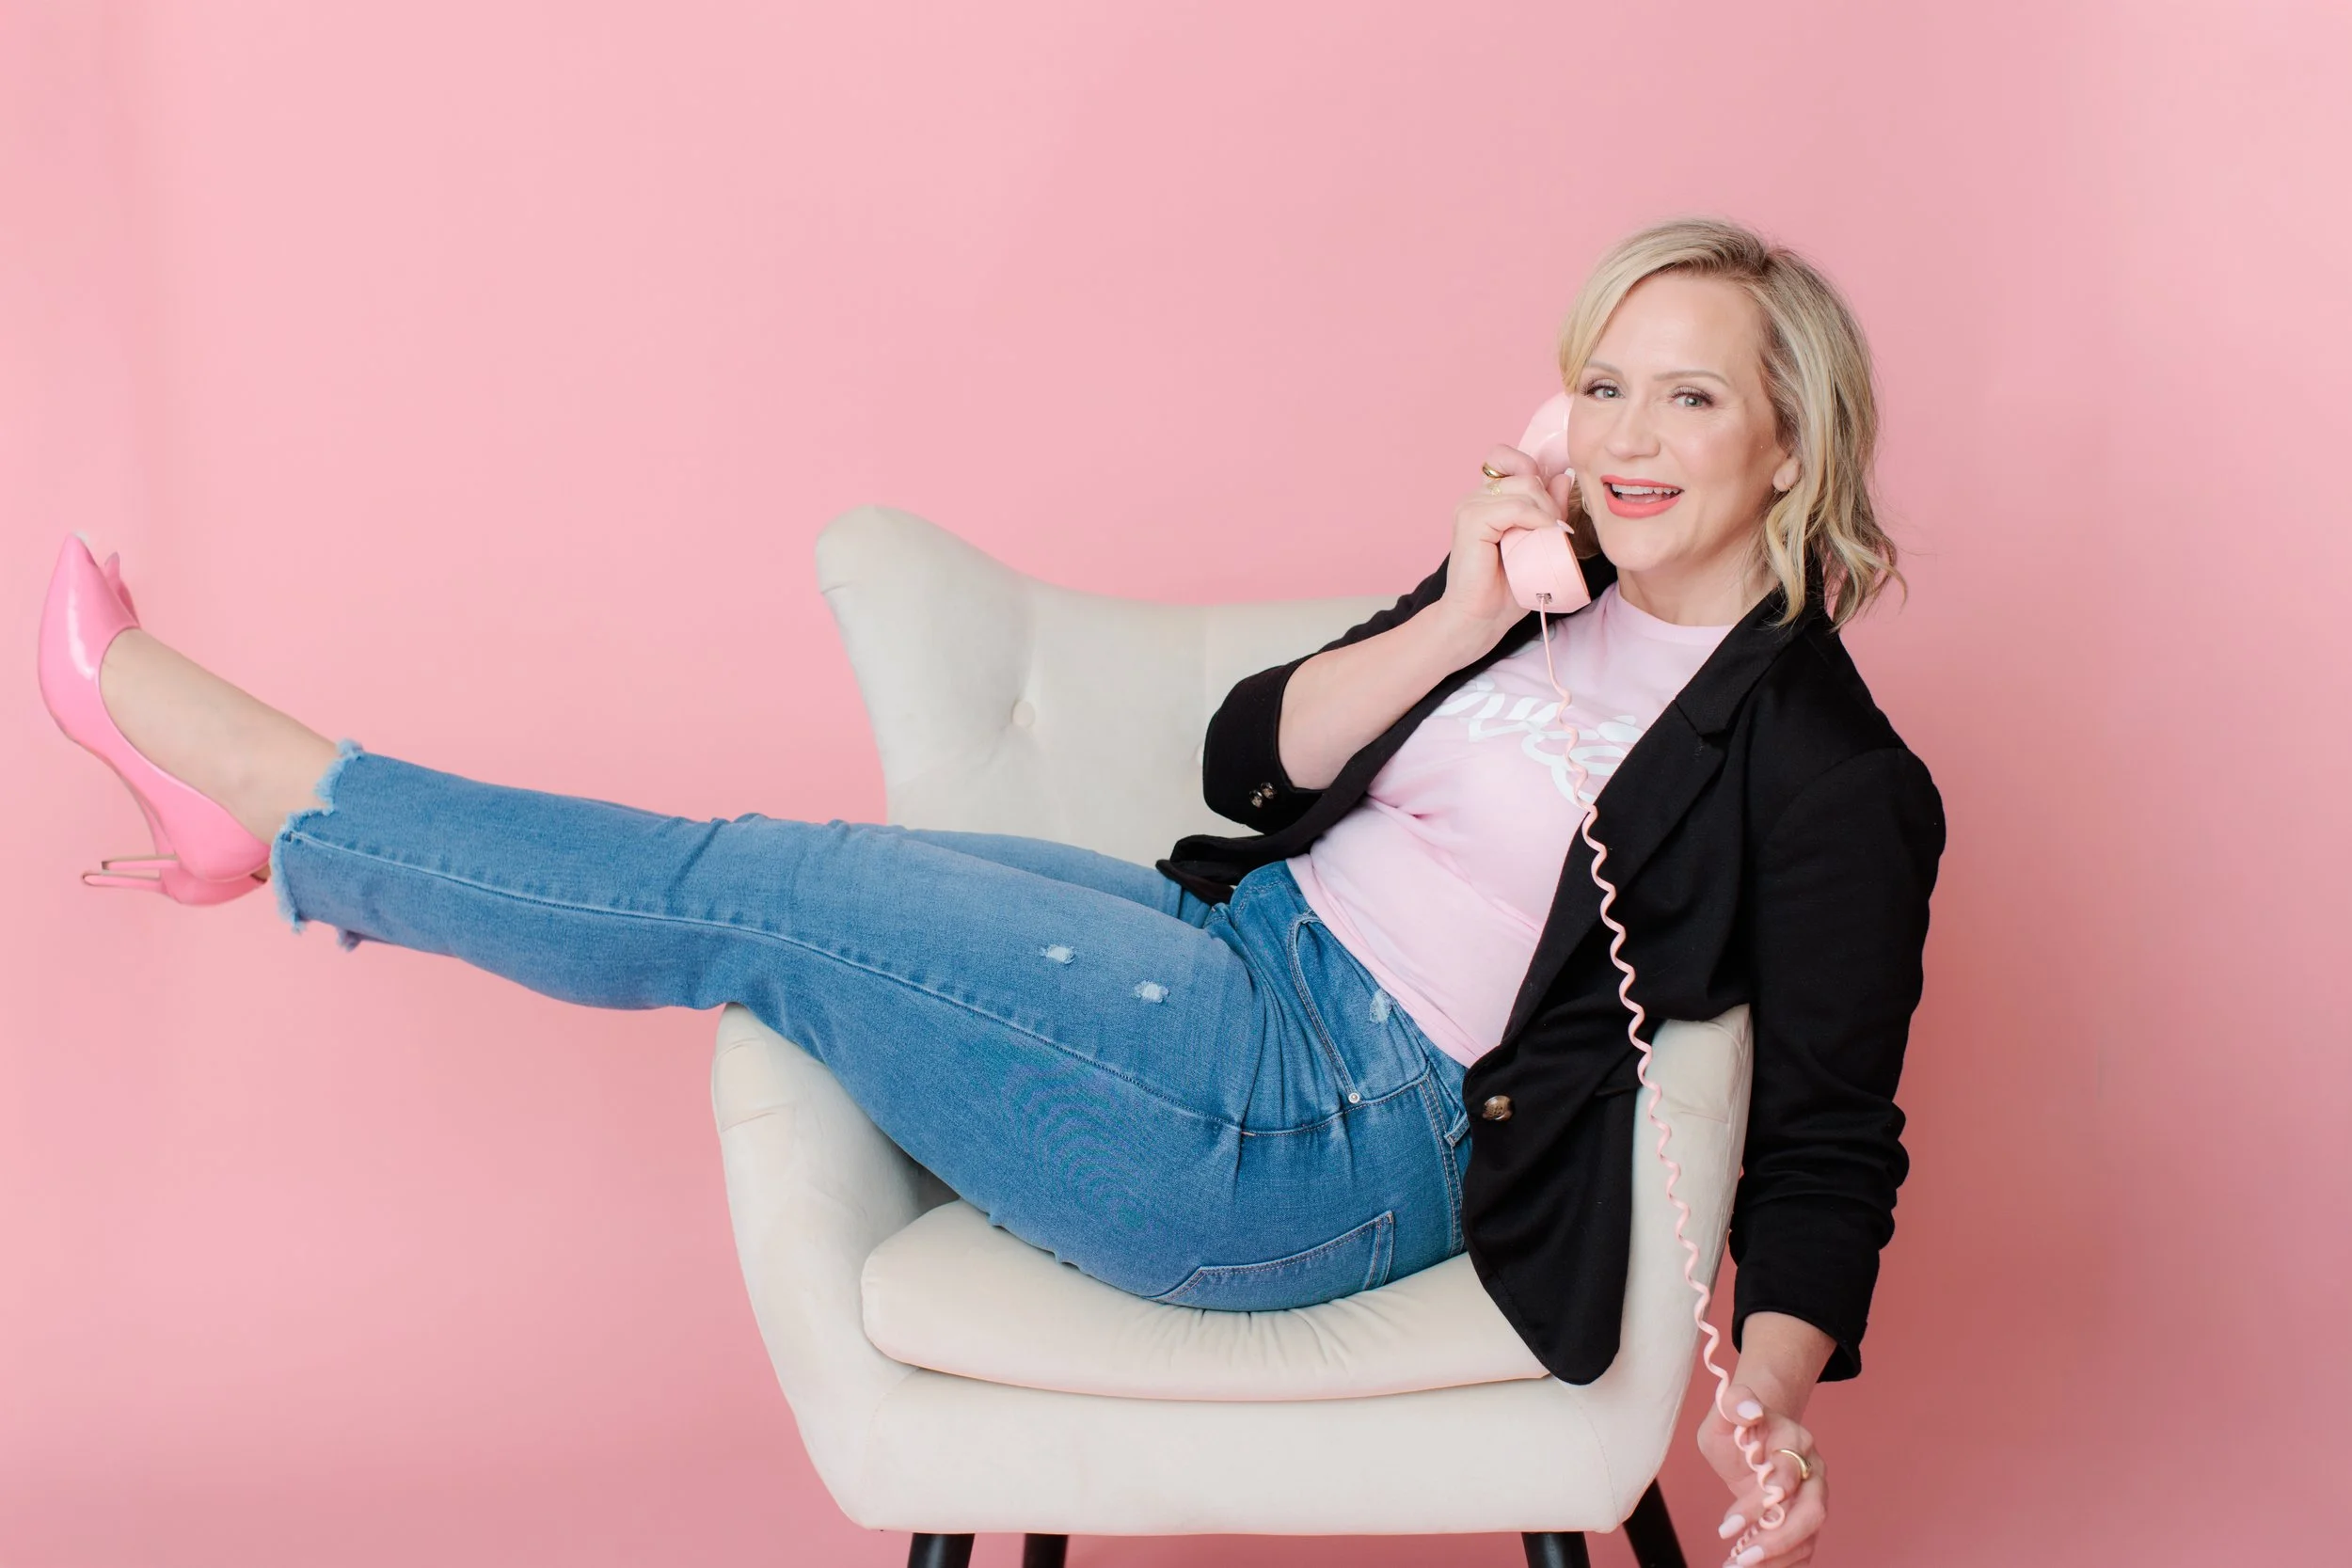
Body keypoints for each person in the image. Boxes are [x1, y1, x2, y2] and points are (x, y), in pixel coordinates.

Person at [37, 216, 1941, 1568]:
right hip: (1232, 952)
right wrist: (1452, 610)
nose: (1618, 440)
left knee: (754, 891)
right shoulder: (1536, 601)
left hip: (1301, 1131)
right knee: (805, 873)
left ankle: (290, 803)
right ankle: (294, 837)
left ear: (1790, 438)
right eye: (1597, 385)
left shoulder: (1830, 770)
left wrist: (1765, 1390)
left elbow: (1831, 1138)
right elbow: (1244, 764)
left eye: (1684, 401)